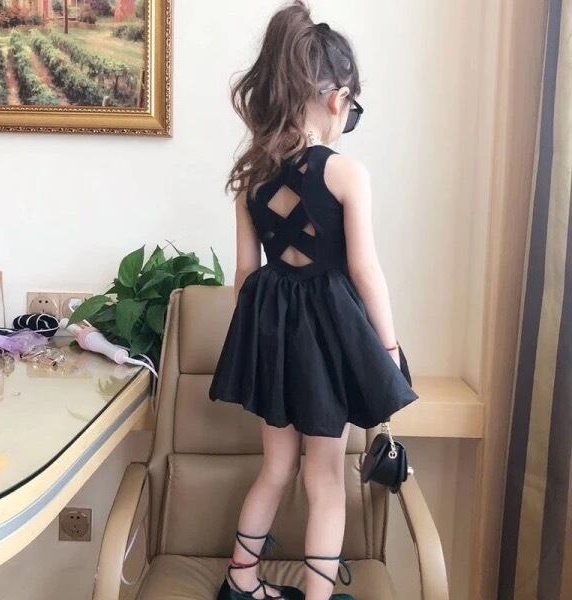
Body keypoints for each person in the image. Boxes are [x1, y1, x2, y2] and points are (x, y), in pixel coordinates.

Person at [208, 2, 419, 599]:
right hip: (331, 340)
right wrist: (388, 349)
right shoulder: (347, 173)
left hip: (274, 335)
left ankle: (240, 584)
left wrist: (262, 339)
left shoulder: (250, 177)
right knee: (325, 477)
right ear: (338, 98)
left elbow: (245, 275)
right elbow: (365, 270)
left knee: (275, 469)